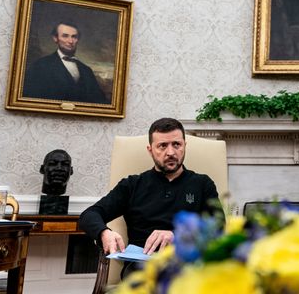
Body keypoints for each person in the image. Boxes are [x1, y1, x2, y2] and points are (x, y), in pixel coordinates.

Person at [79, 118, 221, 277]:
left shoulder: (203, 184)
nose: (171, 153)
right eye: (162, 146)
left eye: (176, 144)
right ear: (150, 149)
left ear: (184, 146)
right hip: (142, 269)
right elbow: (89, 215)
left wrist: (178, 235)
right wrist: (104, 233)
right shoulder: (132, 185)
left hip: (188, 266)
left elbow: (218, 226)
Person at [22, 21, 108, 104]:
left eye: (74, 37)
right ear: (55, 38)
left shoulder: (87, 70)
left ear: (77, 39)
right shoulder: (40, 65)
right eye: (65, 36)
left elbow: (100, 102)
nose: (70, 41)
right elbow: (29, 98)